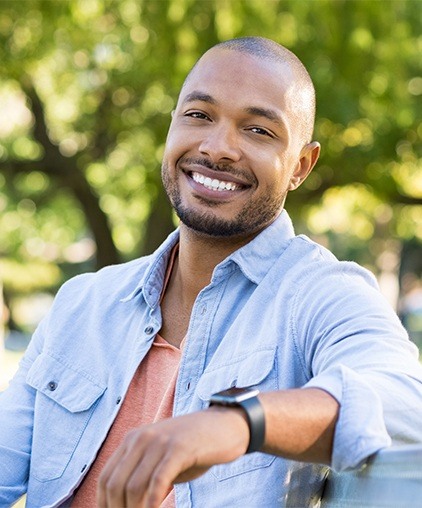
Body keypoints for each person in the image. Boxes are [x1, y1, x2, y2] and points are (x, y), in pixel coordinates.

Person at [1, 36, 422, 508]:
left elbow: (403, 404)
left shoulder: (321, 294)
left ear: (301, 166)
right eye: (199, 115)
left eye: (259, 130)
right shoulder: (84, 301)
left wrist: (238, 423)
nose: (218, 147)